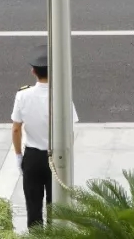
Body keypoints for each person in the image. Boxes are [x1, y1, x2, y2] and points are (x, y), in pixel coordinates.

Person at [11, 47, 79, 229]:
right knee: (54, 206)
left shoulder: (22, 95)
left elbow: (16, 129)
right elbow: (70, 131)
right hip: (56, 156)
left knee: (33, 207)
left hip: (32, 156)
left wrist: (19, 156)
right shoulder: (62, 96)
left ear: (33, 71)